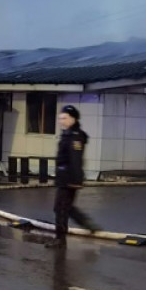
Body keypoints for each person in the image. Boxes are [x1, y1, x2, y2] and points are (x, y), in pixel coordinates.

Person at [46, 105, 99, 249]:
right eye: (60, 118)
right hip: (64, 177)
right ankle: (87, 224)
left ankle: (60, 239)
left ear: (73, 119)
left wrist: (76, 181)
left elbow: (76, 159)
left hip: (69, 178)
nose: (61, 121)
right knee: (65, 207)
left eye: (64, 118)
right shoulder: (68, 134)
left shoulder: (75, 136)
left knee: (60, 208)